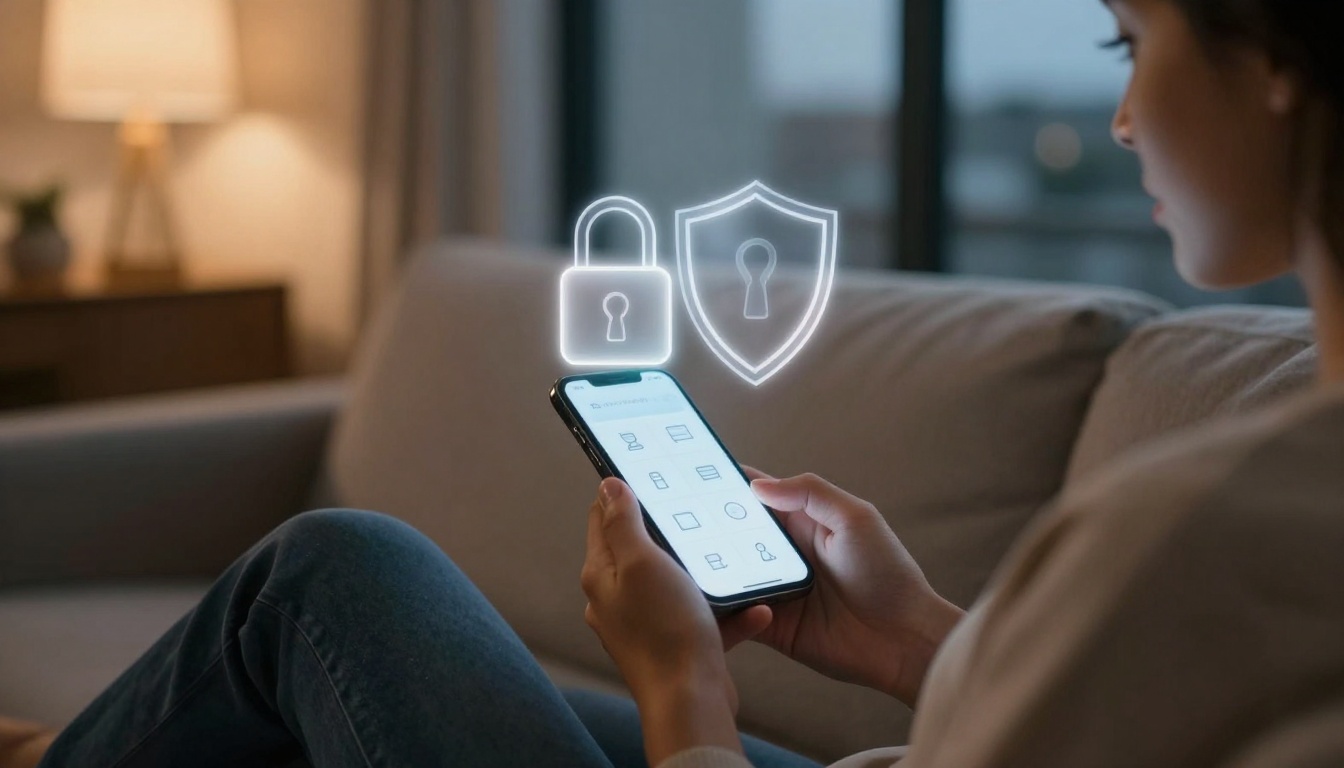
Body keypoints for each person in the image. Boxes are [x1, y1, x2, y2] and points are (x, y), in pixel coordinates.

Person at [7, 0, 1344, 765]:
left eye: (1125, 39)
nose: (1117, 116)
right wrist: (914, 639)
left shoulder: (1195, 535)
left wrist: (684, 698)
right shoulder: (1260, 506)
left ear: (1276, 53)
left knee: (332, 577)